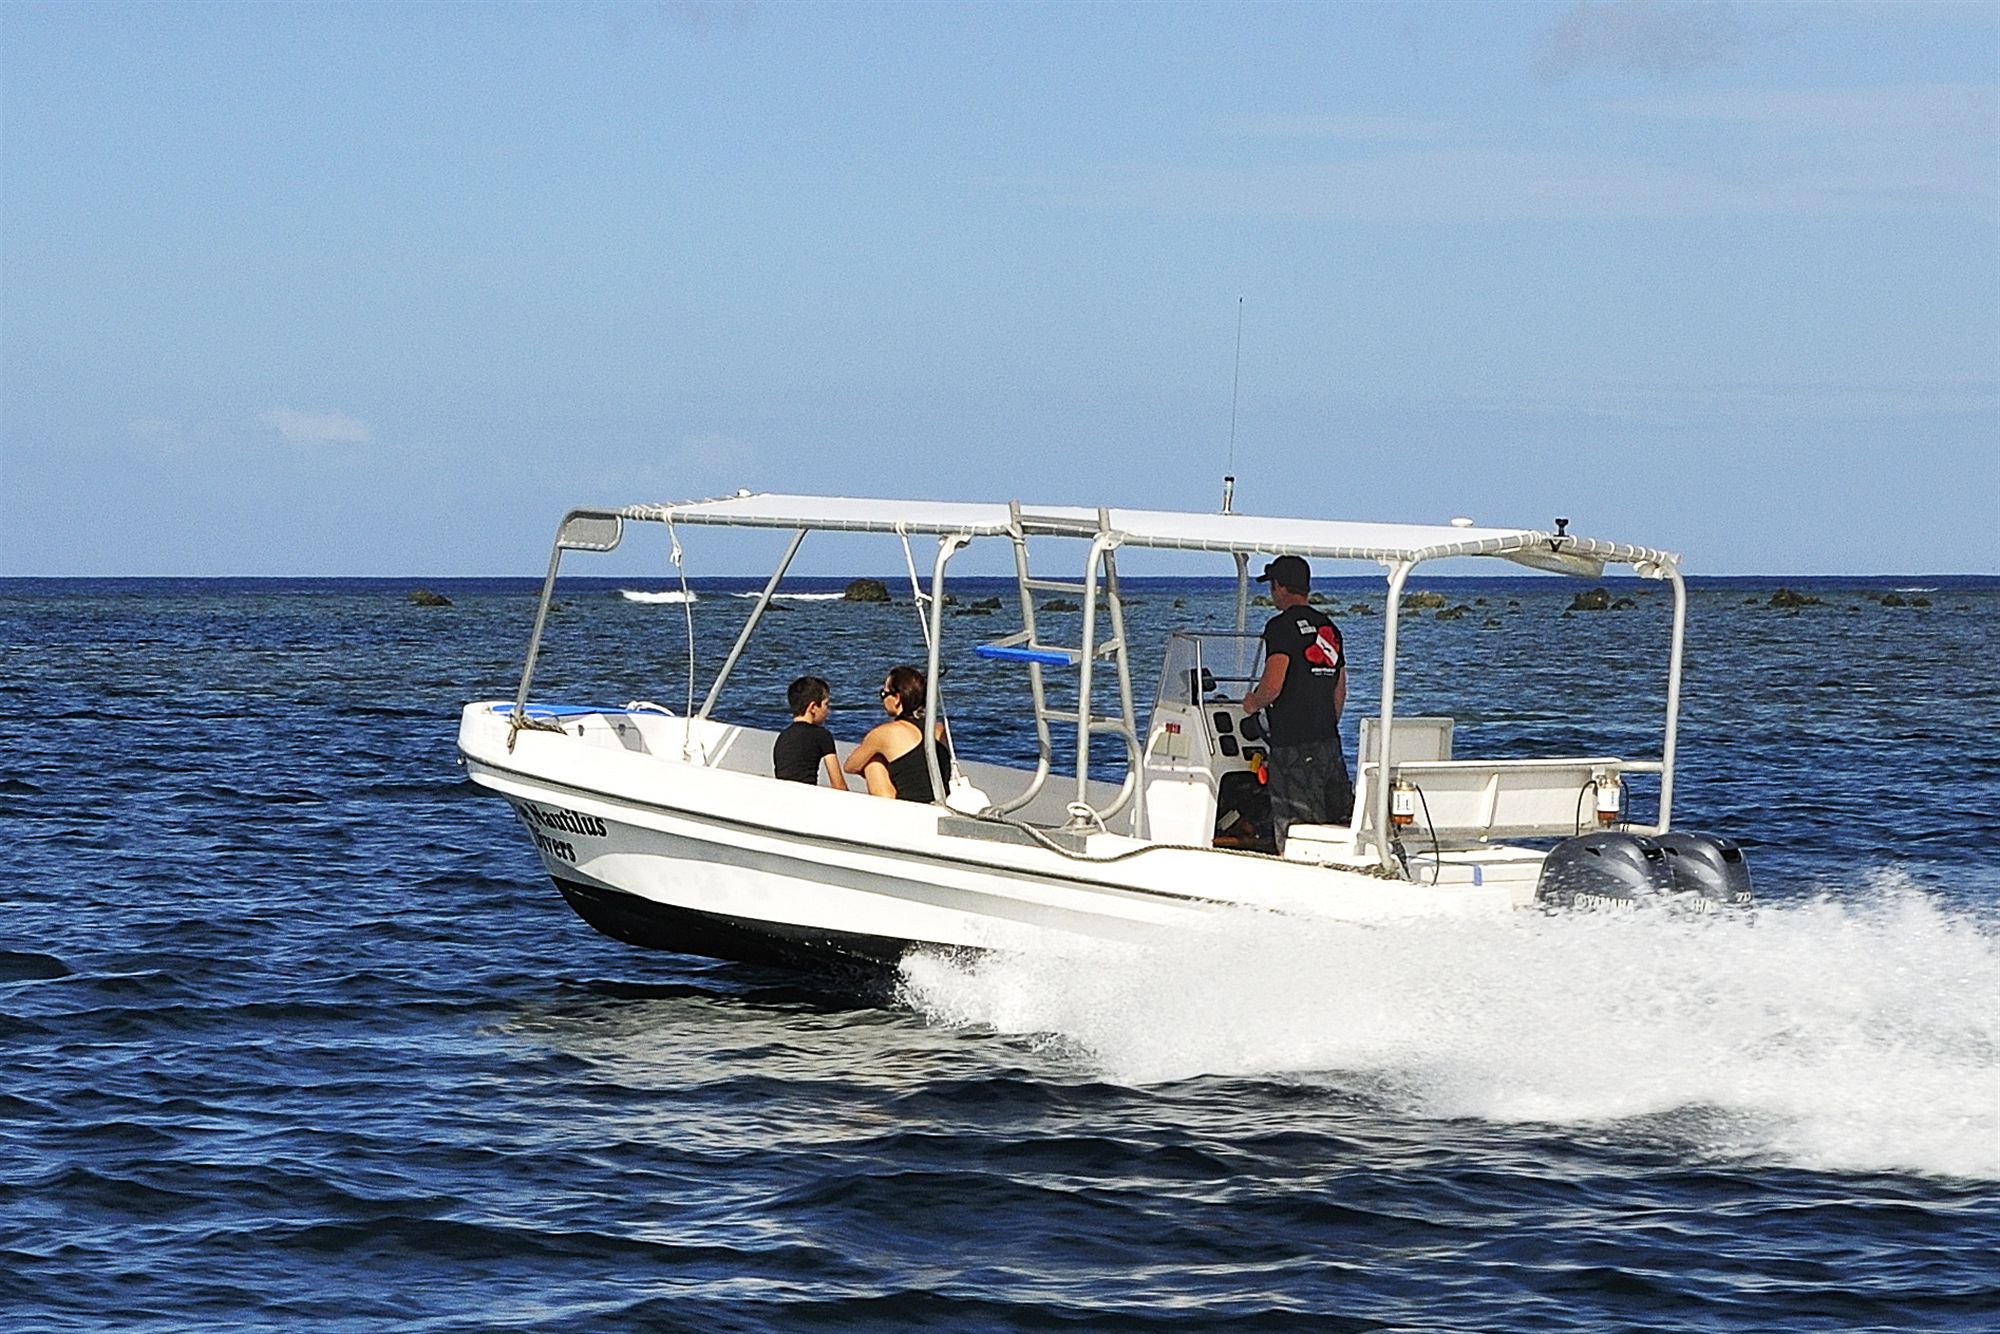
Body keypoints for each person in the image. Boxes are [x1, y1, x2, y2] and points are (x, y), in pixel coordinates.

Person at [1240, 554, 1353, 850]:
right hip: (1329, 742)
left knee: (1296, 829)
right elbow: (1339, 689)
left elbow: (1274, 683)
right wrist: (1325, 721)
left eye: (1272, 587)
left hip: (1292, 745)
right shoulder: (1328, 628)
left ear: (1279, 586)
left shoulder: (1280, 627)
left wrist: (1253, 702)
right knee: (1336, 820)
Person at [844, 663, 953, 802]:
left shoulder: (884, 733)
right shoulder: (938, 729)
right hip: (941, 804)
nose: (882, 700)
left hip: (908, 808)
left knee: (873, 760)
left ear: (897, 698)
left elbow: (851, 766)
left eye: (884, 694)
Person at [773, 675, 849, 790]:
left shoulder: (783, 736)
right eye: (826, 705)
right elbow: (838, 785)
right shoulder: (822, 736)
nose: (828, 711)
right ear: (813, 707)